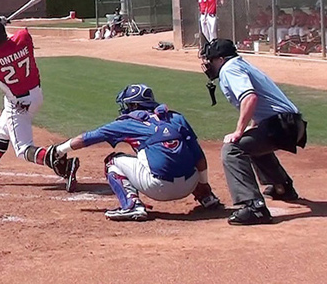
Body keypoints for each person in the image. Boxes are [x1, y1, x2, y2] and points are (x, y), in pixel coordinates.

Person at [48, 83, 221, 221]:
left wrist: (60, 149)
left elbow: (89, 138)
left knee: (112, 161)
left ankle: (132, 205)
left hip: (159, 189)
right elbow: (200, 157)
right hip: (190, 184)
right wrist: (203, 185)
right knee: (182, 153)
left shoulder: (128, 123)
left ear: (134, 105)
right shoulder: (176, 117)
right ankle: (206, 197)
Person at [0, 18, 80, 192]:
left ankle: (61, 161)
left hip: (18, 104)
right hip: (34, 95)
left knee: (23, 150)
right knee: (1, 132)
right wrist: (1, 25)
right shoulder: (24, 37)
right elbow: (14, 35)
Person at [201, 39, 307, 225]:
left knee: (233, 149)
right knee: (251, 141)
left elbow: (250, 98)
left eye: (210, 59)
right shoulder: (241, 64)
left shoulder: (229, 69)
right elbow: (265, 105)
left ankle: (254, 207)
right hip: (292, 125)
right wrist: (250, 127)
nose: (207, 64)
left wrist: (238, 131)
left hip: (282, 125)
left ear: (220, 59)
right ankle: (282, 187)